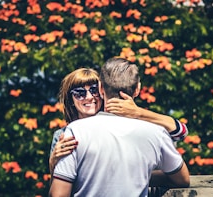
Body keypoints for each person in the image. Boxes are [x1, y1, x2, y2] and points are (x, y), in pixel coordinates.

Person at [49, 57, 190, 197]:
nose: (89, 97)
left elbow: (181, 132)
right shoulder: (66, 135)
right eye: (79, 93)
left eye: (93, 90)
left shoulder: (78, 131)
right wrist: (52, 163)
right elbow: (60, 184)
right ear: (71, 100)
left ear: (101, 89)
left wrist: (139, 113)